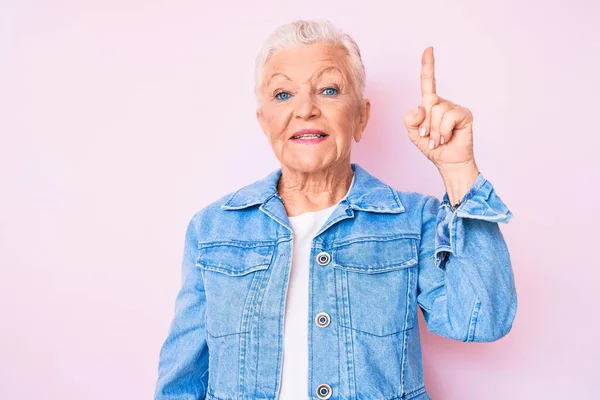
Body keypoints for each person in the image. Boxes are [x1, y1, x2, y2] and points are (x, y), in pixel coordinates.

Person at [154, 19, 517, 400]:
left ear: (361, 116)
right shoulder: (213, 229)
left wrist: (459, 172)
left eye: (328, 89)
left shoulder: (414, 222)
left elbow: (483, 319)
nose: (306, 109)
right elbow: (182, 379)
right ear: (264, 123)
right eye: (282, 94)